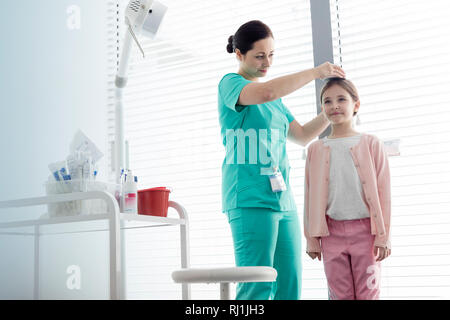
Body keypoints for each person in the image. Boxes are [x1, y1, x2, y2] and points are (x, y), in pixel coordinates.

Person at [217, 20, 345, 300]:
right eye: (259, 56)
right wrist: (315, 73)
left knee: (289, 284)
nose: (267, 63)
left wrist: (333, 111)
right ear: (239, 54)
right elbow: (267, 91)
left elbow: (300, 135)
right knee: (256, 285)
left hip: (281, 199)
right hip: (249, 197)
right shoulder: (231, 84)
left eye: (271, 55)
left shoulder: (275, 102)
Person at [303, 77, 392, 300]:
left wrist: (383, 236)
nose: (334, 106)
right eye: (327, 101)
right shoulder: (315, 149)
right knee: (338, 295)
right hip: (330, 234)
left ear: (356, 105)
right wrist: (312, 238)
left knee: (368, 294)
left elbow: (384, 195)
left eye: (341, 99)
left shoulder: (372, 144)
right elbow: (309, 196)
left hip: (367, 233)